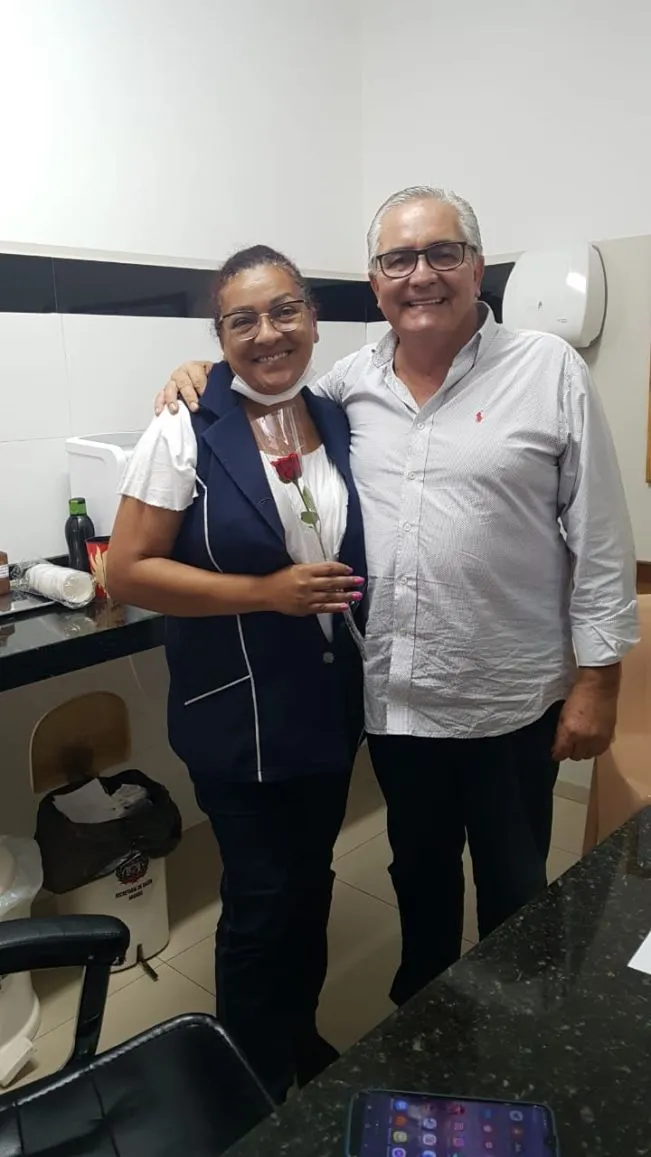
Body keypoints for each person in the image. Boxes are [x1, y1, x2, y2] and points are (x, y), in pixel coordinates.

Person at [155, 187, 639, 1006]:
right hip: (398, 700)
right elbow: (263, 390)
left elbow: (599, 535)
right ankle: (429, 1018)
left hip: (509, 698)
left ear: (476, 267)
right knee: (418, 873)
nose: (420, 275)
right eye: (397, 259)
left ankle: (521, 1032)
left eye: (442, 253)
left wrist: (599, 679)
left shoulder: (547, 369)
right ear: (374, 282)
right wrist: (199, 375)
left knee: (515, 883)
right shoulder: (346, 386)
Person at [107, 245, 367, 1101]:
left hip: (325, 708)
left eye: (284, 310)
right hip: (237, 716)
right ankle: (248, 1085)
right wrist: (265, 593)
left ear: (312, 319)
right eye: (241, 320)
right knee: (260, 900)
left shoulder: (334, 417)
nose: (267, 333)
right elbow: (128, 572)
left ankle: (298, 1034)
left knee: (312, 881)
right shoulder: (184, 427)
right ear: (218, 337)